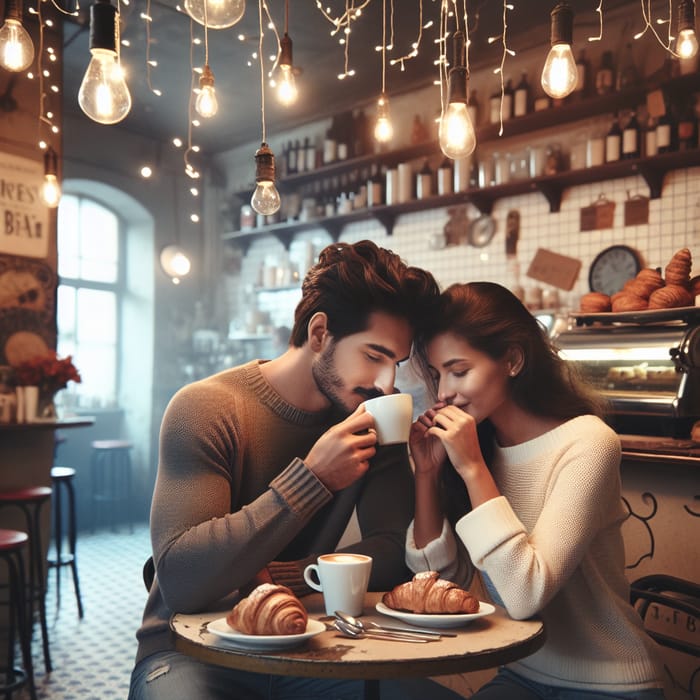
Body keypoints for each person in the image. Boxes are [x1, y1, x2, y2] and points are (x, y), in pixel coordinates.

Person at [128, 240, 448, 700]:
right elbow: (180, 578)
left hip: (310, 644)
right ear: (319, 333)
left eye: (395, 364)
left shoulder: (373, 417)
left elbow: (395, 549)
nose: (386, 382)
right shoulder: (207, 408)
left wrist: (294, 576)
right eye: (374, 356)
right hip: (190, 651)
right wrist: (311, 481)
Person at [405, 282, 666, 700]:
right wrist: (427, 475)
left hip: (610, 681)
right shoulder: (480, 449)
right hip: (522, 674)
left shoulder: (587, 443)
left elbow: (525, 594)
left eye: (459, 370)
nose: (443, 393)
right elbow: (435, 581)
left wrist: (472, 468)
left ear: (512, 359)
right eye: (437, 375)